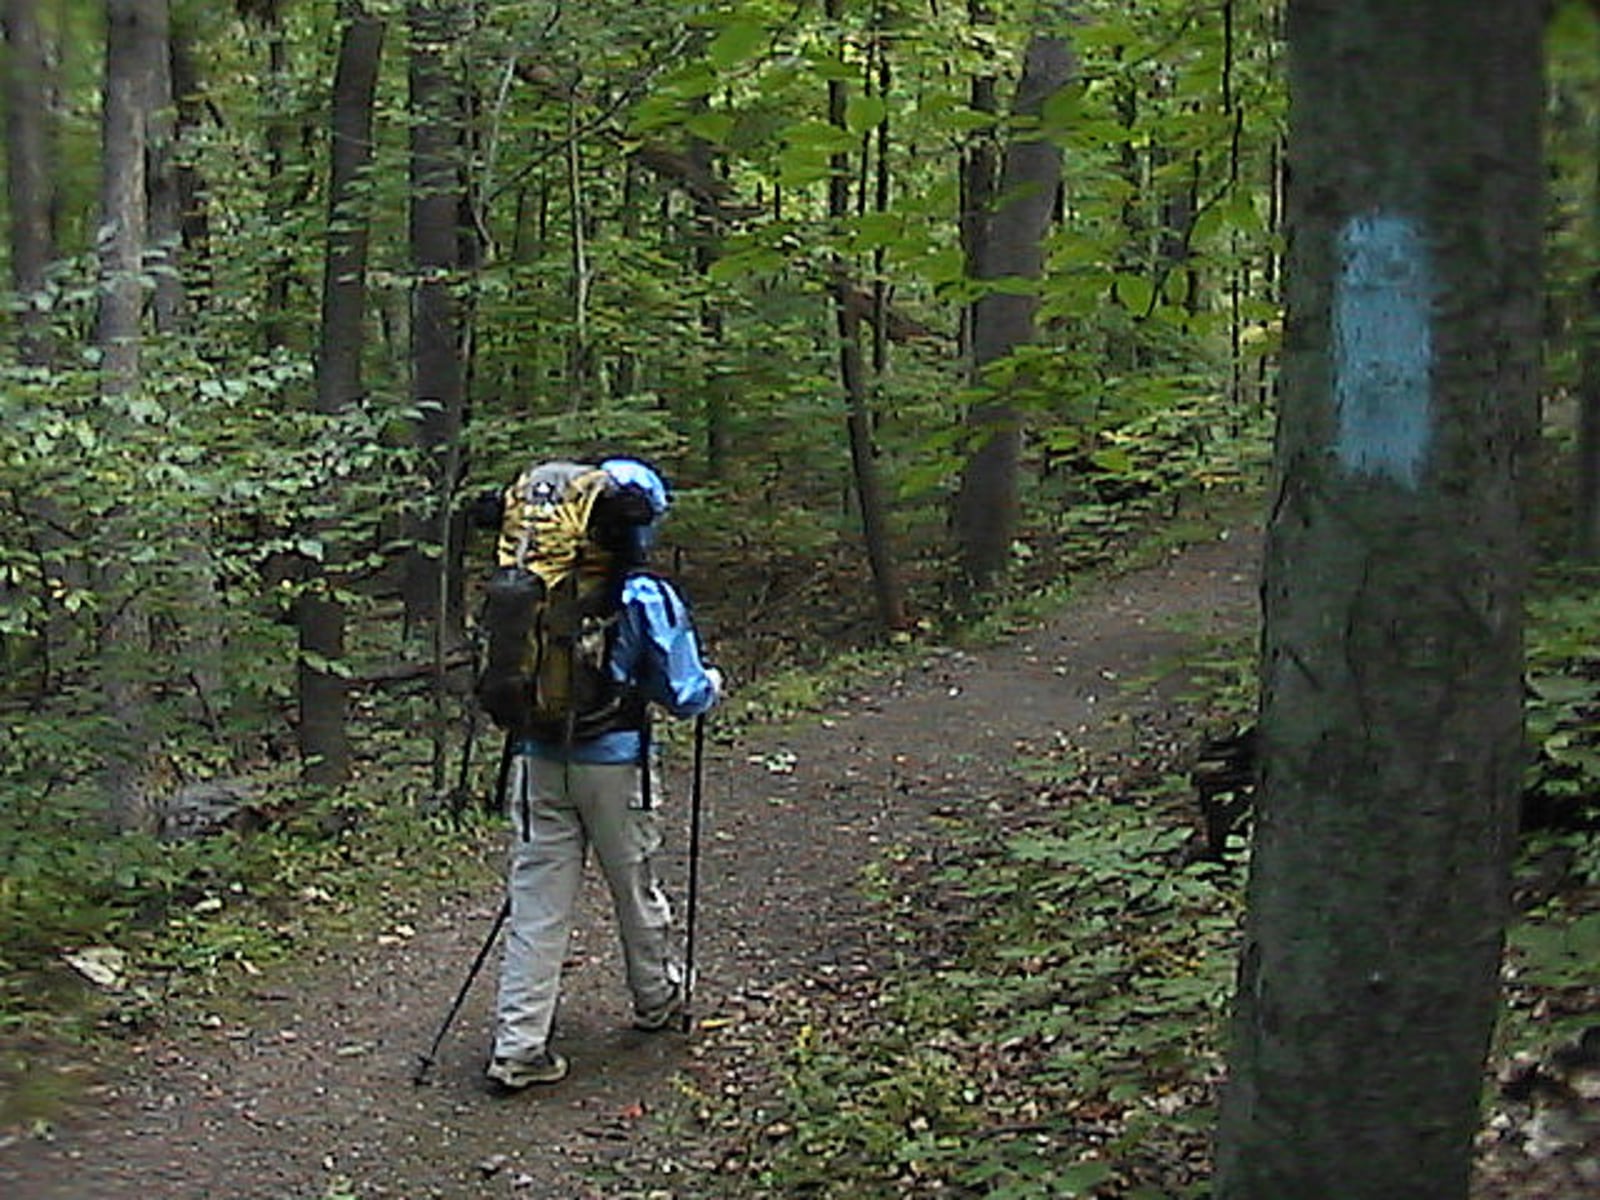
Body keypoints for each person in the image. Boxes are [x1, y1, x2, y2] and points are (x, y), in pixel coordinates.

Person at [486, 457, 722, 1091]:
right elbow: (685, 693)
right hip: (616, 764)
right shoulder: (642, 594)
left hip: (537, 758)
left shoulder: (537, 583)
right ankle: (656, 1001)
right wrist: (712, 688)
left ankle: (518, 1044)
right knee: (633, 886)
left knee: (536, 903)